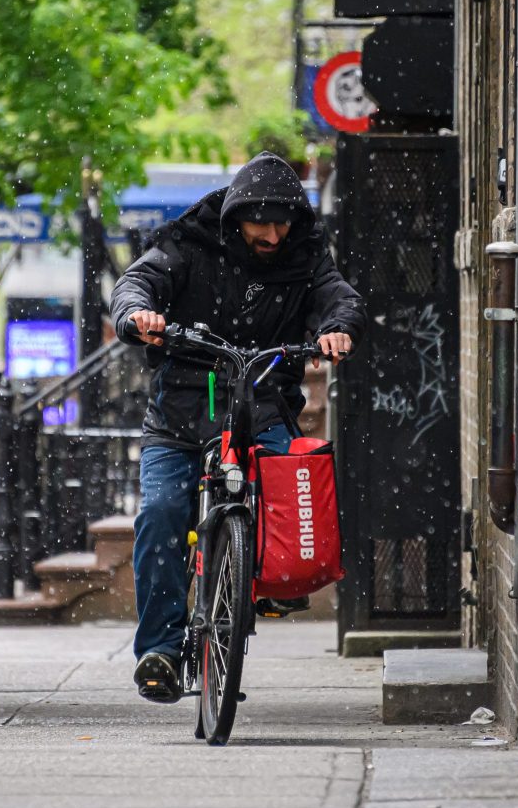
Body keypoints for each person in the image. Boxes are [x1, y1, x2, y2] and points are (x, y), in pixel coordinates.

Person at [110, 151, 366, 702]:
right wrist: (140, 316)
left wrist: (338, 328)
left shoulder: (306, 252)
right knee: (160, 514)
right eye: (260, 222)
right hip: (180, 411)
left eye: (282, 222)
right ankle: (159, 650)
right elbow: (136, 284)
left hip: (262, 403)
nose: (273, 234)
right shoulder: (188, 242)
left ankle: (269, 580)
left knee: (289, 486)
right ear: (235, 218)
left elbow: (335, 297)